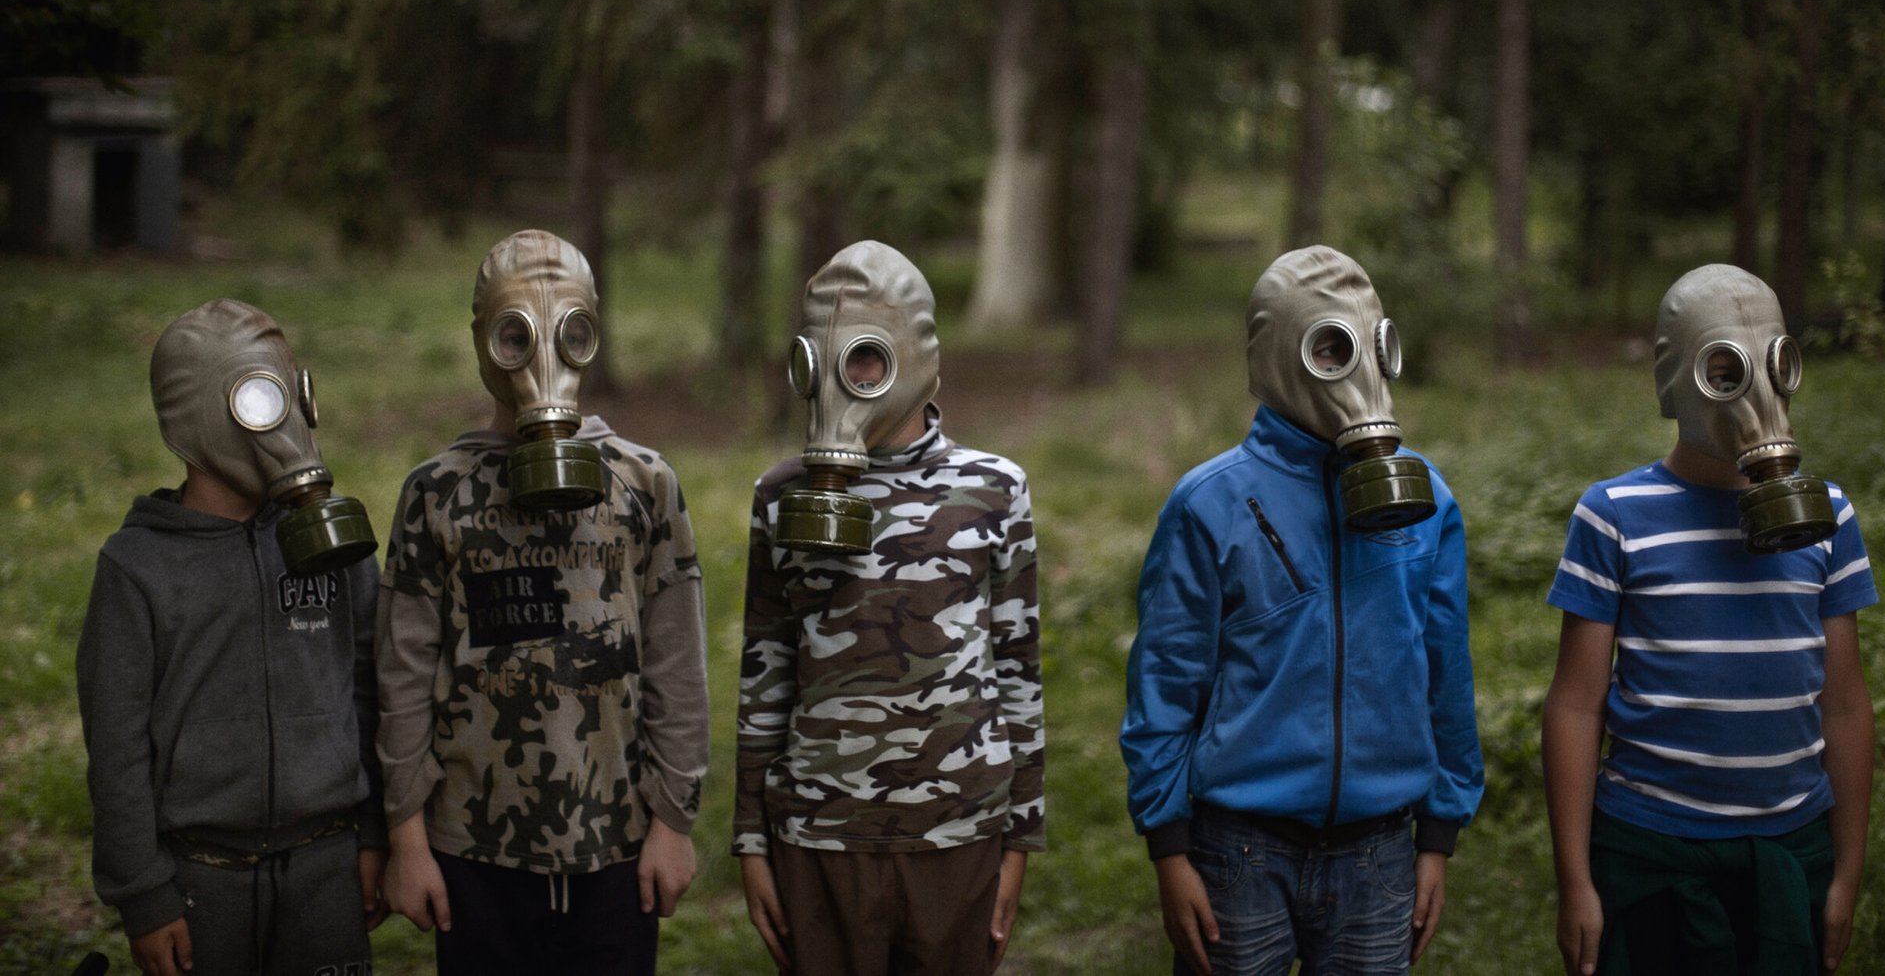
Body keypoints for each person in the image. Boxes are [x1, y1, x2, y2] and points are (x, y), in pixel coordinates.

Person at [1122, 246, 1483, 976]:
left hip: (1379, 849)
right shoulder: (1210, 503)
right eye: (1327, 348)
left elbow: (1446, 669)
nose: (1353, 373)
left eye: (1363, 346)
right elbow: (1164, 680)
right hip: (1238, 848)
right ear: (1281, 358)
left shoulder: (1427, 501)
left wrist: (1437, 835)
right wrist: (1169, 846)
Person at [375, 229, 708, 976]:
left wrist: (671, 820)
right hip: (473, 850)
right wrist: (406, 838)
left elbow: (677, 662)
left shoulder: (643, 483)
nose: (543, 357)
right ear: (486, 342)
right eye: (516, 334)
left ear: (590, 334)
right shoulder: (437, 494)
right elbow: (401, 674)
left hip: (616, 849)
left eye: (570, 330)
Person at [1541, 264, 1877, 976]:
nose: (1756, 393)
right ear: (1674, 382)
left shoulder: (1830, 518)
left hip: (1790, 845)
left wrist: (1845, 871)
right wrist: (1575, 879)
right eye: (1724, 371)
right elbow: (1575, 705)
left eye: (1773, 365)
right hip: (1650, 846)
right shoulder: (1614, 515)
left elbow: (1844, 703)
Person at [733, 240, 1045, 975]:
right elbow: (765, 673)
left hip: (956, 832)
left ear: (915, 353)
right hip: (818, 836)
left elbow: (1019, 671)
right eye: (829, 358)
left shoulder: (994, 489)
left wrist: (1020, 838)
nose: (852, 380)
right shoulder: (782, 496)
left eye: (867, 356)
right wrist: (751, 839)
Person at [77, 298, 387, 976]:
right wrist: (145, 897)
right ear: (200, 418)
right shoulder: (138, 569)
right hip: (200, 881)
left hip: (325, 866)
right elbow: (116, 745)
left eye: (289, 396)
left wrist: (374, 836)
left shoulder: (339, 553)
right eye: (260, 401)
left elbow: (369, 687)